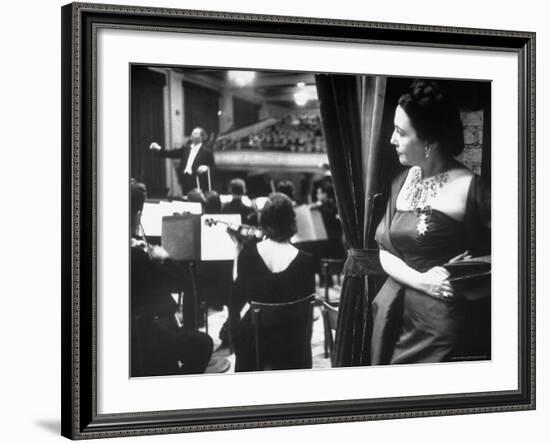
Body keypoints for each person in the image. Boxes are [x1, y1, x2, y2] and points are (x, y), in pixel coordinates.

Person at [371, 80, 491, 365]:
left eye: (400, 132)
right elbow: (384, 249)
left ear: (429, 142)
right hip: (393, 315)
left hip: (440, 328)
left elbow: (522, 258)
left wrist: (465, 274)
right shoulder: (402, 180)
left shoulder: (472, 189)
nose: (391, 139)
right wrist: (422, 281)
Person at [130, 179, 213, 376]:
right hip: (143, 336)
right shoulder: (138, 257)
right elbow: (182, 283)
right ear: (138, 215)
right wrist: (166, 259)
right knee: (203, 343)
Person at [230, 193, 316, 372]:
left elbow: (236, 299)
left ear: (264, 220)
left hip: (255, 342)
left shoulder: (248, 253)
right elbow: (307, 313)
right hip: (291, 344)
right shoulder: (306, 261)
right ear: (292, 221)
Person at [150, 127, 215, 194]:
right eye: (192, 132)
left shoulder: (207, 152)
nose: (192, 134)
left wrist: (206, 168)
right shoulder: (186, 148)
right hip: (184, 178)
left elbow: (213, 167)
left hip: (197, 180)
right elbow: (172, 153)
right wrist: (159, 149)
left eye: (195, 133)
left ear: (201, 137)